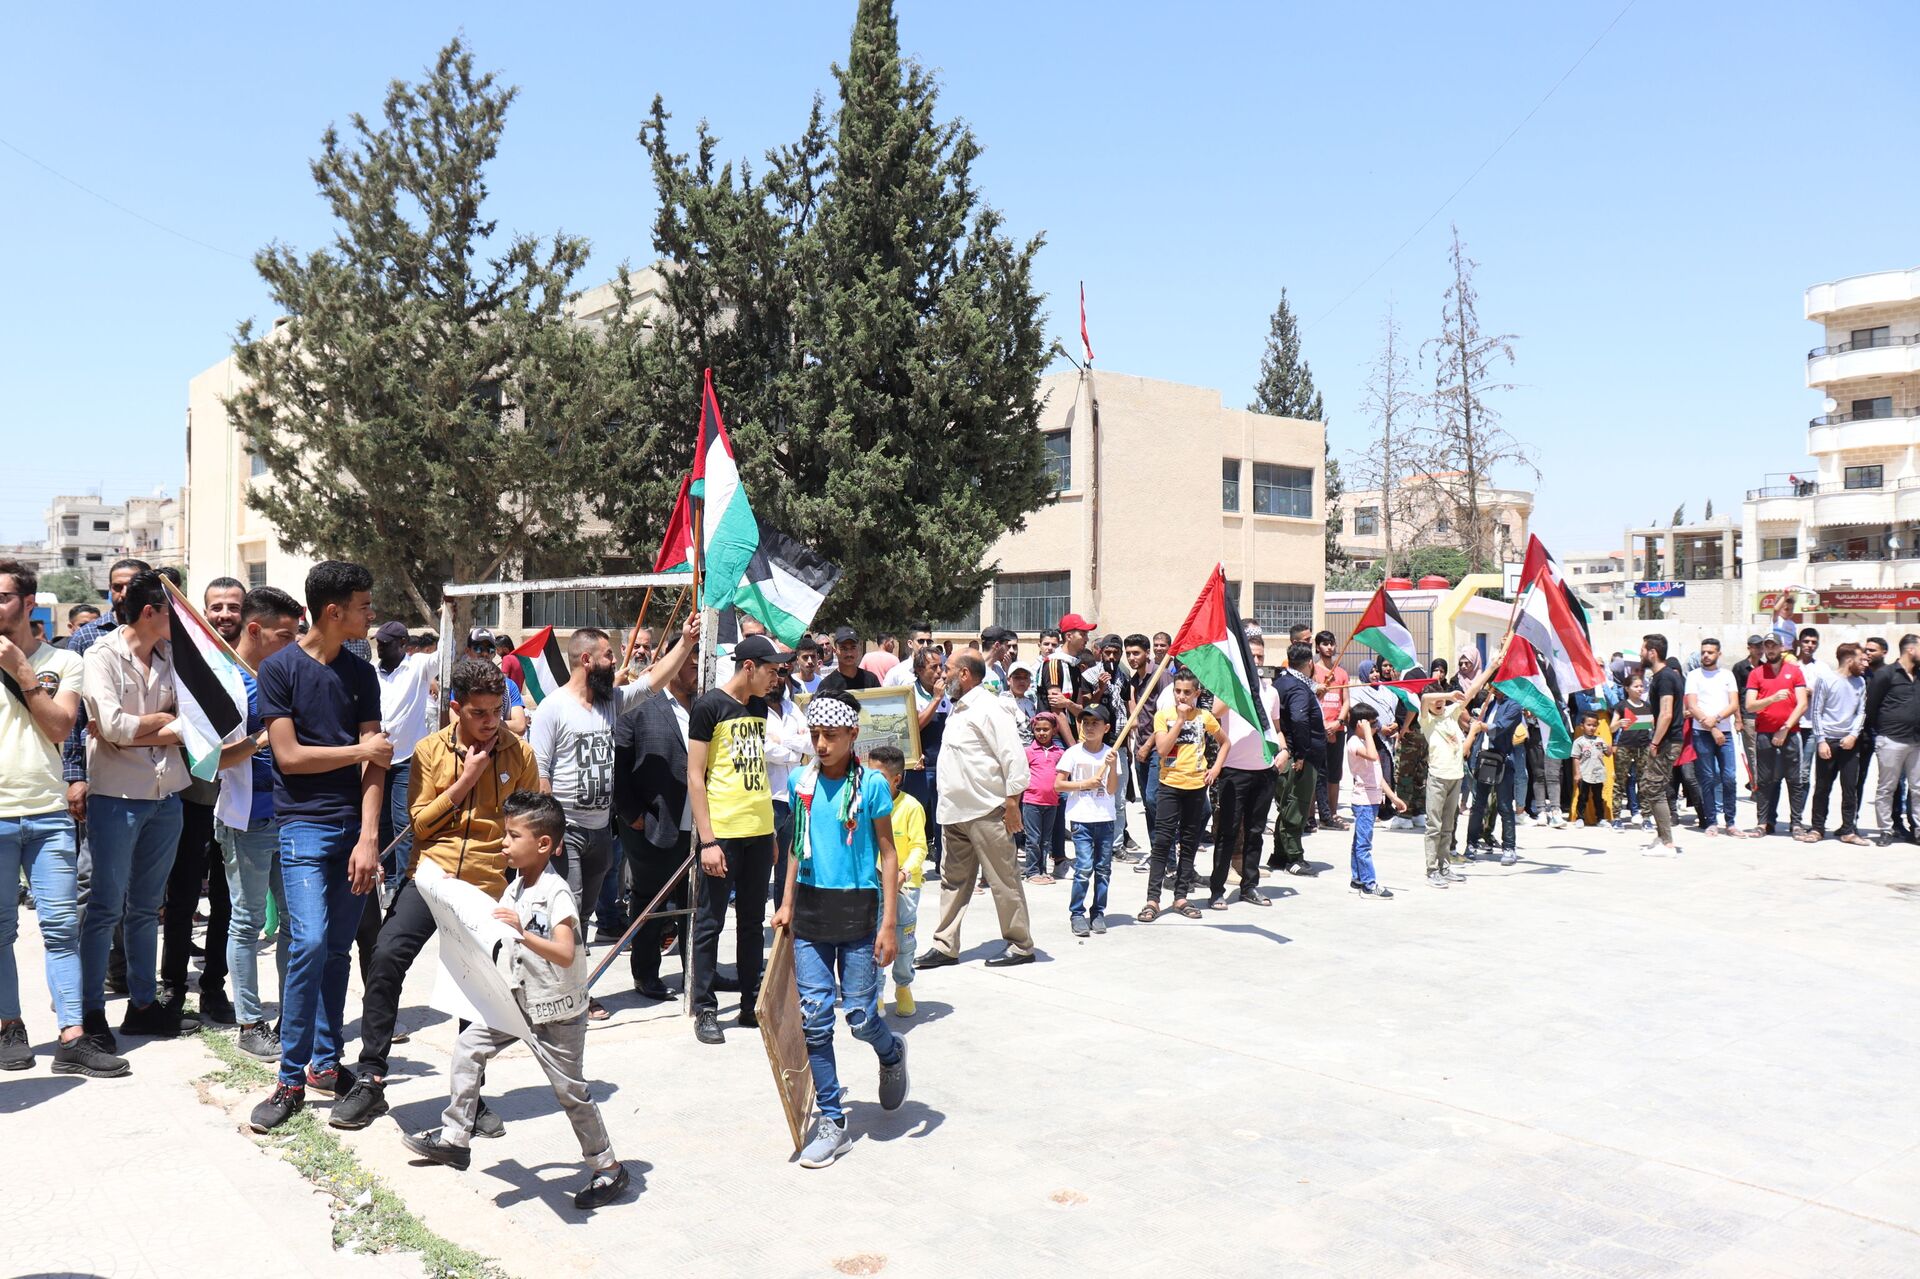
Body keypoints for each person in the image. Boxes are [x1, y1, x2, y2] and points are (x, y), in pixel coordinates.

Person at [331, 656, 537, 1132]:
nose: (491, 724)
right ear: (455, 709)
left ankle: (469, 1095)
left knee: (477, 989)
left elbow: (526, 826)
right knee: (385, 957)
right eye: (479, 713)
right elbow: (420, 824)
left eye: (497, 711)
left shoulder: (519, 754)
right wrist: (465, 780)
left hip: (487, 885)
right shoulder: (428, 750)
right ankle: (372, 1077)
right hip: (431, 875)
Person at [400, 791, 630, 1210]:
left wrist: (522, 932)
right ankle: (455, 1137)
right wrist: (455, 898)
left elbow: (565, 952)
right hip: (518, 1006)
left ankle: (609, 1168)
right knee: (469, 1047)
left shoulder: (556, 892)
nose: (503, 843)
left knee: (570, 1093)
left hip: (559, 1014)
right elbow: (494, 924)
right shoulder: (516, 887)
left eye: (512, 835)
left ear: (543, 844)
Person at [247, 561, 391, 1134]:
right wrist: (360, 753)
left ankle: (326, 1067)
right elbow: (289, 757)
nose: (370, 615)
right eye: (363, 606)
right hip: (302, 828)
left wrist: (369, 838)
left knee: (336, 952)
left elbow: (378, 767)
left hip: (355, 833)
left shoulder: (362, 674)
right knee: (306, 943)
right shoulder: (278, 670)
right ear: (334, 612)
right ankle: (288, 1078)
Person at [768, 692, 909, 1169]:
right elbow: (795, 846)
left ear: (853, 735)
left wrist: (888, 923)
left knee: (861, 1017)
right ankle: (833, 1120)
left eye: (831, 735)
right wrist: (786, 902)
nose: (821, 744)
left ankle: (890, 1051)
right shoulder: (801, 783)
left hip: (858, 912)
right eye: (815, 735)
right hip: (810, 911)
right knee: (815, 1017)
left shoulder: (871, 786)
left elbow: (887, 854)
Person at [531, 620, 698, 1020]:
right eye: (609, 655)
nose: (616, 661)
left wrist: (687, 642)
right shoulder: (553, 708)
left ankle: (569, 990)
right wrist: (550, 832)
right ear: (587, 660)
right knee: (566, 915)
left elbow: (652, 682)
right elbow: (540, 775)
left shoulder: (610, 703)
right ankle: (570, 998)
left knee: (583, 915)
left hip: (600, 831)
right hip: (565, 830)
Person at [0, 558, 122, 1076]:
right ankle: (8, 1027)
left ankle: (72, 1035)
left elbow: (58, 727)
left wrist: (22, 672)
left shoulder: (63, 661)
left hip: (49, 814)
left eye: (2, 597)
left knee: (60, 926)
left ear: (28, 603)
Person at [79, 569, 192, 1047]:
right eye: (173, 611)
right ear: (151, 612)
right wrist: (169, 725)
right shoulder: (100, 655)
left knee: (147, 908)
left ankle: (143, 1005)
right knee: (105, 907)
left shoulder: (173, 655)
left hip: (167, 796)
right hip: (116, 798)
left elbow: (194, 721)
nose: (180, 621)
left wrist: (147, 729)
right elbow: (110, 725)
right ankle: (87, 1012)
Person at [687, 632, 792, 1045]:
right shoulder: (709, 706)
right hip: (724, 833)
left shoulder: (761, 708)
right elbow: (696, 776)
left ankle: (751, 1003)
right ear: (749, 667)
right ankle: (705, 1008)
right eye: (771, 670)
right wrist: (708, 841)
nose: (775, 678)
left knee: (751, 922)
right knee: (710, 922)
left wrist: (769, 832)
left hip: (758, 829)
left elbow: (758, 772)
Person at [215, 586, 302, 1062]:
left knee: (294, 924)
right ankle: (250, 1021)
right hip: (244, 819)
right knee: (246, 924)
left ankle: (291, 1015)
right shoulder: (224, 681)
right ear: (255, 629)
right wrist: (263, 741)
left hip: (292, 817)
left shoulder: (282, 674)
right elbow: (206, 760)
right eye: (284, 635)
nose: (292, 644)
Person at [156, 577, 244, 1026]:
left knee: (228, 901)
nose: (224, 614)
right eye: (216, 607)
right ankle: (171, 983)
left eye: (232, 607)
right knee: (184, 894)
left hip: (238, 802)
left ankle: (213, 985)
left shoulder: (252, 666)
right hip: (192, 794)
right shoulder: (183, 660)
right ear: (202, 612)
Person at [916, 652, 1035, 969]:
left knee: (1003, 879)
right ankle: (945, 945)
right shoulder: (957, 707)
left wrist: (1012, 804)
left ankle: (1020, 945)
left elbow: (1014, 759)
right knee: (952, 882)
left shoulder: (990, 708)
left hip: (986, 811)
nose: (942, 675)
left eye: (948, 669)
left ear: (965, 674)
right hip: (955, 813)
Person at [612, 645, 696, 1002]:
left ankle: (697, 972)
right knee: (651, 904)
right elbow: (618, 766)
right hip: (652, 825)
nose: (697, 669)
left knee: (695, 903)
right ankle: (646, 975)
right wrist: (634, 818)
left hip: (699, 825)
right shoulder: (639, 705)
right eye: (691, 662)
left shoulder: (706, 705)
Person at [1138, 671, 1227, 922]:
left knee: (1189, 843)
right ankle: (1152, 899)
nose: (1182, 696)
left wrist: (1216, 768)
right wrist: (1179, 720)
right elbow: (1164, 749)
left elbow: (1225, 742)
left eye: (1187, 692)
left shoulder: (1205, 717)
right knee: (1162, 842)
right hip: (1170, 785)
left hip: (1196, 786)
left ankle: (1181, 896)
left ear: (1197, 694)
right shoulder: (1163, 716)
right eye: (1178, 691)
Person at [1206, 637, 1281, 910]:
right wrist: (1233, 693)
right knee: (1227, 832)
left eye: (1260, 657)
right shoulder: (1228, 690)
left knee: (1256, 832)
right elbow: (1212, 716)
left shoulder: (1270, 692)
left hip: (1264, 772)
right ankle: (1217, 890)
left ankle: (1249, 885)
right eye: (1251, 657)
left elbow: (1276, 728)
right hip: (1233, 772)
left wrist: (1282, 752)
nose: (1257, 662)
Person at [1418, 654, 1493, 887]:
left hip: (1455, 777)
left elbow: (1474, 689)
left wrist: (1493, 666)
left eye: (1442, 701)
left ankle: (1444, 866)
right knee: (1434, 826)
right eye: (1436, 701)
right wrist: (1447, 695)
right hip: (1438, 778)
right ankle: (1431, 870)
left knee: (1448, 826)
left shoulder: (1450, 714)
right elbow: (1425, 697)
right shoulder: (1427, 721)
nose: (1439, 704)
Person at [373, 620, 436, 896]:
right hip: (376, 758)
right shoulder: (372, 672)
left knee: (402, 823)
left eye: (386, 644)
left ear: (402, 644)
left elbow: (446, 652)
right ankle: (383, 880)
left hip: (406, 759)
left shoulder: (419, 666)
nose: (380, 648)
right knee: (380, 821)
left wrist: (449, 616)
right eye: (379, 643)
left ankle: (402, 885)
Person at [868, 745, 926, 1015]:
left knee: (904, 942)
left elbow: (919, 847)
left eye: (877, 776)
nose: (870, 781)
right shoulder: (863, 805)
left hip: (905, 886)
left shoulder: (911, 807)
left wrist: (905, 872)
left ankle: (903, 985)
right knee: (874, 940)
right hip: (873, 885)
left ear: (896, 779)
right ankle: (876, 993)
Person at [1057, 704, 1120, 935]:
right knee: (1084, 867)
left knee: (1103, 869)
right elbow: (1058, 784)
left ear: (1106, 727)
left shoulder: (1110, 754)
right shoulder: (1073, 753)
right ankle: (1076, 912)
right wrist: (1085, 784)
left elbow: (1112, 789)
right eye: (1086, 722)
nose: (1090, 727)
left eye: (1095, 723)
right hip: (1081, 818)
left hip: (1105, 818)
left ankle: (1098, 912)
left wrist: (1112, 768)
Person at [1270, 642, 1328, 878]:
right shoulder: (1297, 689)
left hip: (1291, 753)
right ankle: (1294, 857)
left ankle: (1279, 854)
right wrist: (1302, 754)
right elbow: (1299, 720)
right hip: (1299, 757)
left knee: (1287, 804)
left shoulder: (1283, 682)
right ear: (1310, 663)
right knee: (1297, 805)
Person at [1744, 633, 1809, 839]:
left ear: (1782, 648)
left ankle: (1796, 823)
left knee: (1794, 779)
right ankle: (1763, 823)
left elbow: (1802, 703)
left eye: (1774, 646)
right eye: (1767, 646)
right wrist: (1771, 698)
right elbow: (1750, 705)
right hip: (1764, 732)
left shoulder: (1795, 671)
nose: (1770, 650)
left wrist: (1786, 727)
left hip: (1790, 733)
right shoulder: (1756, 673)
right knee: (1764, 780)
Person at [1804, 642, 1868, 845]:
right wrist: (1821, 740)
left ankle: (1848, 830)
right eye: (1860, 659)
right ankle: (1817, 828)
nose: (1864, 663)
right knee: (1822, 787)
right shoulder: (1826, 679)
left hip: (1850, 743)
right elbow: (1816, 711)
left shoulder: (1860, 682)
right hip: (1828, 741)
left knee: (1850, 787)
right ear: (1849, 660)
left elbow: (1861, 712)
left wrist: (1853, 735)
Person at [1345, 702, 1406, 898]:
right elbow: (1372, 756)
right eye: (1372, 724)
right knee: (1364, 844)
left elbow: (1377, 775)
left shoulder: (1364, 742)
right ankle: (1369, 885)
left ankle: (1358, 878)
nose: (1376, 727)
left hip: (1371, 799)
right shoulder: (1355, 742)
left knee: (1359, 842)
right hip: (1363, 801)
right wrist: (1367, 732)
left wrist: (1393, 798)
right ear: (1360, 725)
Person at [1683, 638, 1742, 837]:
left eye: (1710, 652)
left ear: (1719, 654)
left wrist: (1716, 721)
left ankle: (1731, 821)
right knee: (1707, 778)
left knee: (1729, 777)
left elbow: (1734, 704)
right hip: (1702, 733)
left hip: (1724, 731)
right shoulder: (1693, 676)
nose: (1706, 655)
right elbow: (1692, 705)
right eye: (1703, 652)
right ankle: (1711, 821)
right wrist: (1711, 727)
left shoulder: (1727, 675)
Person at [1866, 633, 1920, 847]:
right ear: (1911, 649)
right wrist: (1881, 733)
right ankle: (1886, 830)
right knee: (1887, 787)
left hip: (1916, 741)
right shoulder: (1886, 675)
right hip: (1891, 740)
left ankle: (1917, 829)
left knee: (1918, 788)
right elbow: (1871, 708)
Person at [1639, 634, 1687, 856]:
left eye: (1643, 649)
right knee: (1650, 786)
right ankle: (1661, 836)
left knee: (1654, 788)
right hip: (1666, 740)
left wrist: (1655, 742)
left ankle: (1667, 843)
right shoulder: (1661, 677)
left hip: (1667, 741)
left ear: (1652, 652)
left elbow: (1666, 714)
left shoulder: (1665, 677)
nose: (1640, 653)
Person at [901, 646, 948, 871]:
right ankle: (910, 866)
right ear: (919, 670)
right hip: (919, 768)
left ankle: (944, 865)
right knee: (916, 816)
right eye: (933, 667)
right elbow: (913, 726)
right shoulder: (910, 693)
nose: (940, 672)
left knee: (944, 819)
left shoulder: (950, 693)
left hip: (944, 766)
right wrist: (936, 699)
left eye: (941, 666)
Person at [1309, 631, 1351, 832]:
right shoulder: (1312, 670)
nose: (1329, 647)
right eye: (1324, 644)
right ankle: (1310, 816)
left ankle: (1332, 813)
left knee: (1334, 774)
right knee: (1315, 773)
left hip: (1337, 729)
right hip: (1317, 730)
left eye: (1331, 644)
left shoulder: (1341, 673)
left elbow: (1346, 701)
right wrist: (1322, 724)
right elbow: (1309, 698)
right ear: (1317, 647)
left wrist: (1339, 721)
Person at [1019, 713, 1066, 882]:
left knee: (1046, 840)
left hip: (1052, 802)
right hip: (1032, 801)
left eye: (1045, 729)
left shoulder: (1059, 753)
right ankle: (1032, 872)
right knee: (1033, 839)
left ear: (1054, 730)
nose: (1041, 733)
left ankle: (1043, 870)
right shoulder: (1028, 752)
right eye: (1037, 729)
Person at [462, 629, 527, 736]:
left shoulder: (508, 686)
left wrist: (485, 723)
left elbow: (520, 726)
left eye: (490, 649)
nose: (484, 653)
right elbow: (455, 721)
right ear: (467, 651)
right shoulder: (461, 684)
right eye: (478, 648)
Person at [1611, 674, 1653, 831]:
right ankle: (1616, 817)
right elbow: (1611, 727)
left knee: (1644, 783)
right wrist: (1619, 723)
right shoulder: (1621, 706)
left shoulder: (1646, 705)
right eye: (1636, 686)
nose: (1639, 689)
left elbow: (1653, 725)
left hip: (1643, 747)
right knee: (1619, 782)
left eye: (1641, 686)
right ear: (1627, 688)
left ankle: (1646, 817)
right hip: (1625, 747)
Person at [1570, 715, 1612, 828]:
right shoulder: (1579, 742)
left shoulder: (1600, 740)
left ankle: (1601, 818)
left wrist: (1609, 747)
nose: (1592, 728)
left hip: (1598, 774)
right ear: (1582, 726)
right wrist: (1577, 773)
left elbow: (1608, 754)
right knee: (1582, 797)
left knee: (1598, 798)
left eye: (1594, 725)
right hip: (1584, 774)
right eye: (1589, 725)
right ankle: (1580, 818)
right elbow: (1575, 758)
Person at [818, 626, 879, 696]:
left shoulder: (871, 679)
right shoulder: (827, 685)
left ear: (858, 649)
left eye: (853, 648)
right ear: (835, 651)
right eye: (843, 648)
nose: (849, 653)